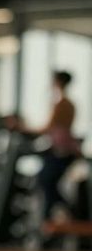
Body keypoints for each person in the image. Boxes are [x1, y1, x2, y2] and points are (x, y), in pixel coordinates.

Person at [36, 70, 80, 221]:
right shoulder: (66, 103)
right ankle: (55, 215)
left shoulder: (63, 104)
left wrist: (22, 128)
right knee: (46, 181)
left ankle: (68, 213)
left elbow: (50, 127)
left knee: (45, 181)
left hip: (63, 150)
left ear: (58, 82)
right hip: (60, 148)